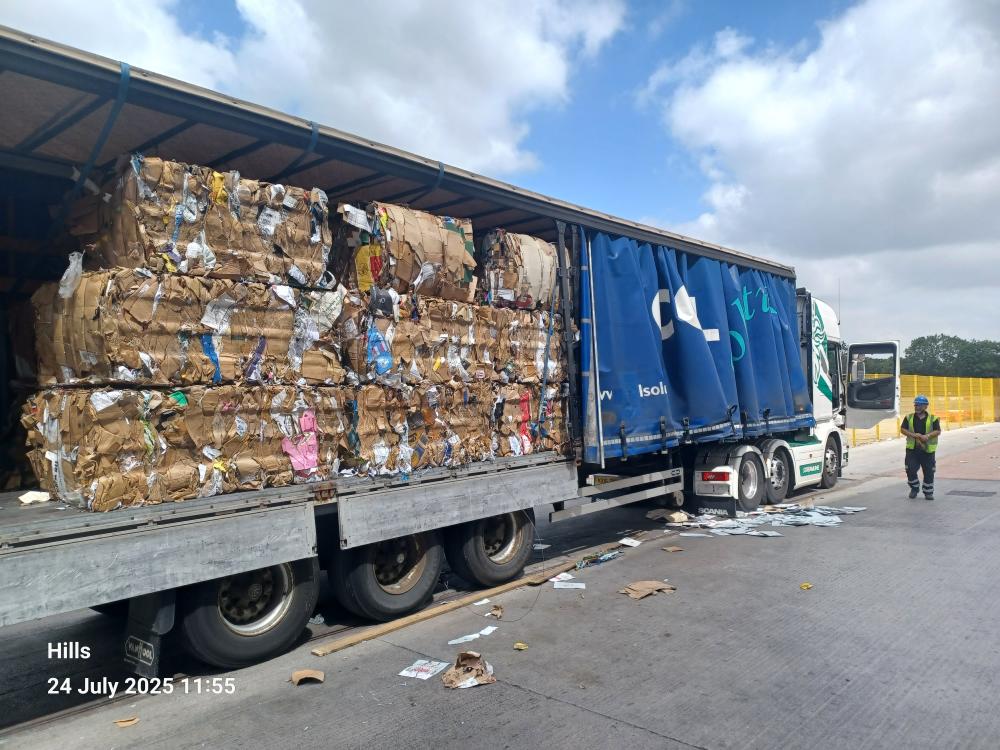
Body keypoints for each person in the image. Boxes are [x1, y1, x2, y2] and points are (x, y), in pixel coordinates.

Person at [899, 395, 941, 500]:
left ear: (925, 406)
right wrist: (914, 435)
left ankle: (928, 492)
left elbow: (937, 431)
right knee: (910, 469)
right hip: (912, 449)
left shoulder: (933, 418)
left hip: (927, 450)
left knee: (929, 471)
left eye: (919, 405)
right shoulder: (909, 417)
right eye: (916, 405)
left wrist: (927, 436)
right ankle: (914, 488)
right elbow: (903, 429)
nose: (917, 407)